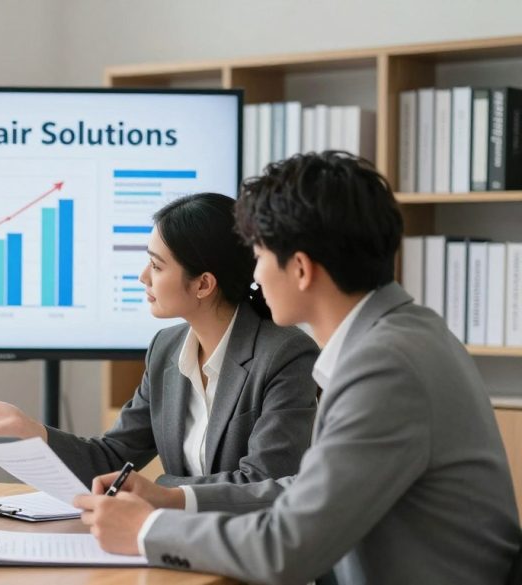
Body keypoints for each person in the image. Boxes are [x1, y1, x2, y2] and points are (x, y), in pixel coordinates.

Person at [74, 152, 521, 584]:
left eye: (261, 255)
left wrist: (147, 532)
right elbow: (310, 492)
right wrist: (175, 499)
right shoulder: (406, 332)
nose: (255, 275)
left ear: (302, 269)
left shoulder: (384, 366)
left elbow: (289, 546)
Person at [0, 193, 319, 488]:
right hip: (183, 547)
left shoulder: (285, 355)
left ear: (203, 283)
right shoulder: (166, 349)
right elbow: (113, 456)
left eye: (156, 265)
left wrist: (159, 491)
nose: (143, 277)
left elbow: (264, 484)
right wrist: (32, 431)